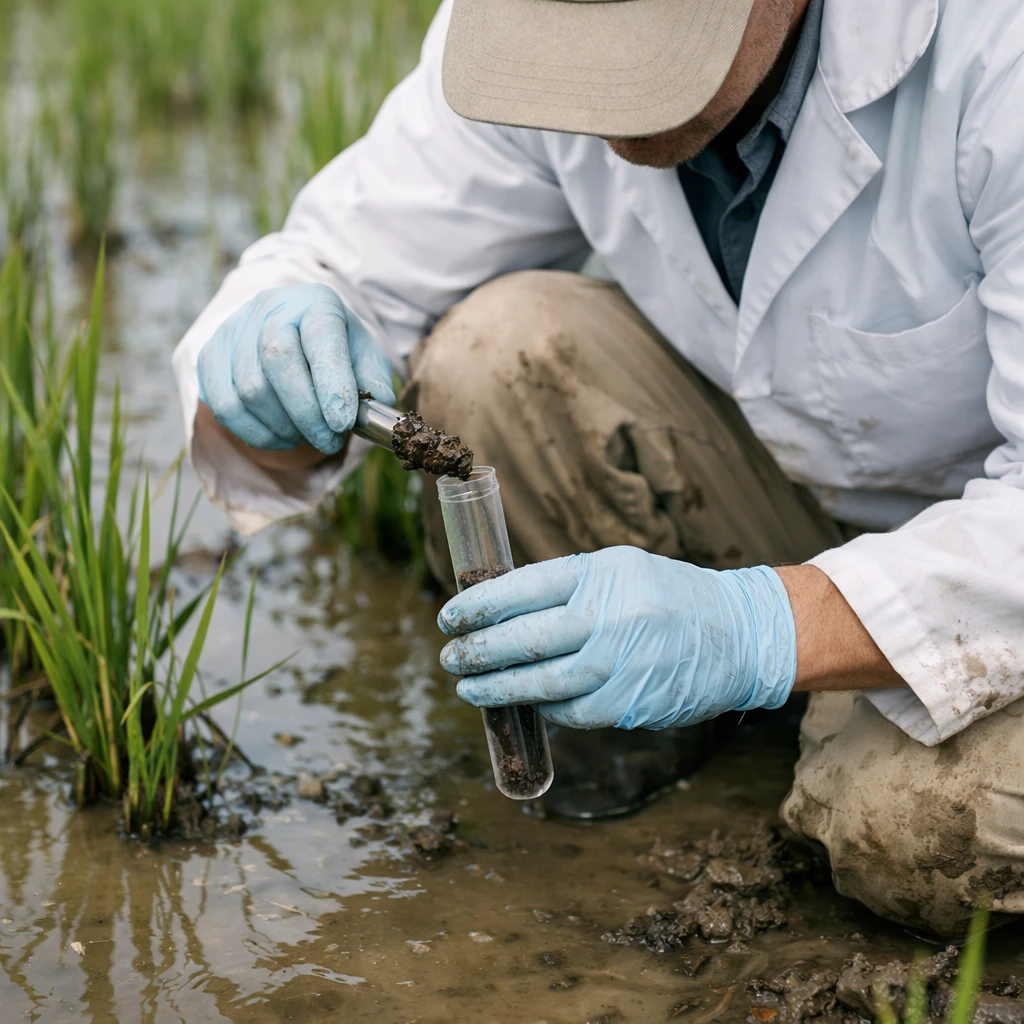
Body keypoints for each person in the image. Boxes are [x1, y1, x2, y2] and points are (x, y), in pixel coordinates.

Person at [174, 0, 1024, 937]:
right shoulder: (523, 33)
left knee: (918, 822)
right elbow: (346, 257)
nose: (600, 99)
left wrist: (756, 630)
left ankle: (820, 741)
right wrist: (275, 341)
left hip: (993, 567)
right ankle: (667, 752)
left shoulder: (996, 51)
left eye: (648, 46)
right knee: (497, 350)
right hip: (795, 491)